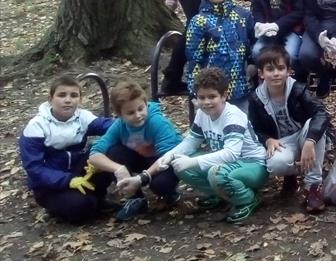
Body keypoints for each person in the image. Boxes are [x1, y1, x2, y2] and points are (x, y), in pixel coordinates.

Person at [158, 67, 268, 224]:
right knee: (180, 165)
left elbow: (231, 153)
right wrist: (170, 155)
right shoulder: (202, 114)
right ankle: (221, 195)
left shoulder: (233, 116)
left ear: (224, 96)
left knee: (215, 173)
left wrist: (193, 161)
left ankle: (247, 199)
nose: (206, 102)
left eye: (212, 96)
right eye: (201, 97)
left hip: (253, 164)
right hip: (228, 164)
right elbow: (191, 141)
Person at [19, 75, 114, 224]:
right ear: (50, 99)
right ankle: (63, 206)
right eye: (62, 95)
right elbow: (34, 168)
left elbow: (111, 127)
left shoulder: (82, 117)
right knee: (81, 207)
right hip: (50, 185)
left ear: (80, 100)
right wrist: (68, 180)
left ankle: (98, 197)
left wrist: (133, 121)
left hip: (78, 170)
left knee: (110, 150)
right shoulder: (36, 126)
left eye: (74, 95)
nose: (68, 100)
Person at [248, 46, 331, 213]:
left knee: (313, 125)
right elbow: (255, 128)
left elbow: (321, 113)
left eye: (280, 68)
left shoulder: (298, 90)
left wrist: (310, 141)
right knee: (275, 164)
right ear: (261, 73)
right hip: (283, 141)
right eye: (270, 69)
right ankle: (291, 174)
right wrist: (267, 139)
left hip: (304, 135)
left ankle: (313, 185)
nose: (276, 73)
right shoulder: (256, 99)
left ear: (288, 71)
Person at [88, 81, 182, 221]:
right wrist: (118, 169)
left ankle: (169, 193)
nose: (138, 115)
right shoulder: (119, 126)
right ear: (120, 115)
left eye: (140, 109)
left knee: (160, 185)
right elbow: (94, 154)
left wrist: (141, 178)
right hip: (142, 159)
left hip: (165, 161)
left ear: (146, 104)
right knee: (113, 152)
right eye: (131, 113)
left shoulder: (157, 122)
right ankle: (135, 198)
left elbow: (169, 156)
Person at [185, 0, 255, 112]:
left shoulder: (243, 15)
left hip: (240, 86)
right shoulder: (199, 21)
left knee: (244, 122)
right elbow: (193, 58)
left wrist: (252, 64)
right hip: (211, 92)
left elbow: (252, 43)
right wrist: (194, 91)